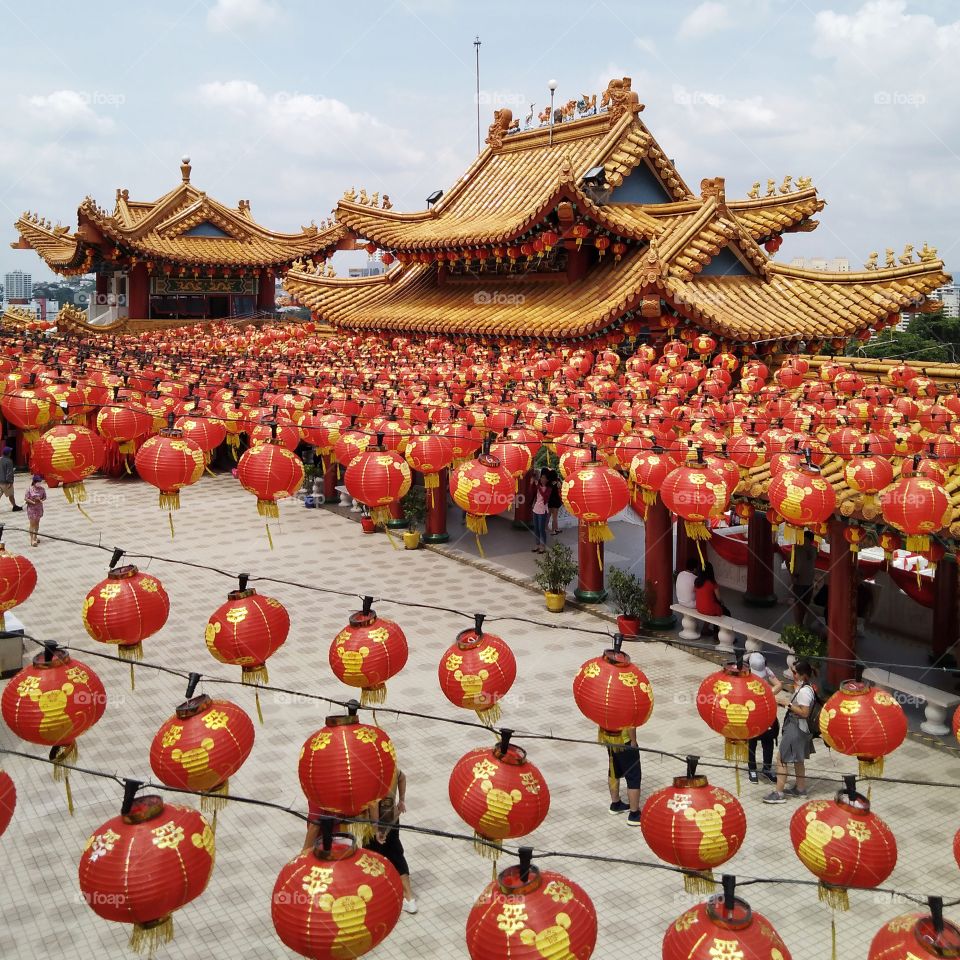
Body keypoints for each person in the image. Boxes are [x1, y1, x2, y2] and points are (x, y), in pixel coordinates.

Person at [363, 769, 418, 914]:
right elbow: (402, 777)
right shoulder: (392, 768)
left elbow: (373, 804)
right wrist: (401, 800)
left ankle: (376, 896)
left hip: (375, 824)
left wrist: (376, 830)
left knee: (372, 859)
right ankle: (409, 897)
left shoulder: (371, 772)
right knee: (396, 854)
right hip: (392, 818)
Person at [763, 658, 816, 803]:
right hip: (799, 728)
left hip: (796, 728)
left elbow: (805, 712)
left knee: (781, 759)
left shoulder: (804, 692)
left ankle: (779, 793)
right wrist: (785, 705)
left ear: (802, 674)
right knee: (798, 759)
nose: (793, 674)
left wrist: (788, 704)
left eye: (795, 672)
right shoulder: (805, 687)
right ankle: (800, 789)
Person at [746, 651, 782, 784]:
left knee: (768, 740)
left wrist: (769, 693)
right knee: (751, 741)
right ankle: (752, 769)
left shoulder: (766, 670)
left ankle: (767, 768)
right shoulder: (744, 673)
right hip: (751, 712)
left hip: (766, 711)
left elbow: (778, 684)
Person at [607, 726, 642, 826]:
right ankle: (634, 815)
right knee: (633, 776)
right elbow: (630, 725)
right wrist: (633, 741)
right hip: (625, 742)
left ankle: (616, 804)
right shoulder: (625, 712)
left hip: (609, 740)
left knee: (613, 771)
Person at [791, 532, 819, 627]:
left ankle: (800, 623)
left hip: (809, 580)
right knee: (798, 603)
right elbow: (789, 560)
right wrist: (792, 575)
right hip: (799, 579)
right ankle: (797, 624)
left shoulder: (814, 550)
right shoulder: (797, 548)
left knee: (805, 603)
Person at [531, 469, 550, 553]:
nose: (542, 479)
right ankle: (537, 544)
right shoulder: (538, 486)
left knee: (541, 529)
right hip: (536, 509)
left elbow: (545, 497)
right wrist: (532, 483)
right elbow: (531, 492)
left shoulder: (549, 488)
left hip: (543, 510)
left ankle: (543, 546)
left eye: (544, 478)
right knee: (536, 528)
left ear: (547, 480)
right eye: (541, 477)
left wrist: (538, 487)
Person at [24, 474, 46, 547]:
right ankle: (32, 540)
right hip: (31, 509)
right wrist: (33, 502)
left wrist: (41, 500)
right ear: (34, 482)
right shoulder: (29, 489)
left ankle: (35, 536)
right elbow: (26, 498)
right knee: (32, 524)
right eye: (38, 482)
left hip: (39, 508)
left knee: (37, 523)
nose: (39, 483)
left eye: (40, 482)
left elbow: (44, 497)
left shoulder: (42, 489)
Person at [0, 447, 22, 512]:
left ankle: (14, 506)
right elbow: (9, 473)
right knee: (11, 495)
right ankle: (14, 506)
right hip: (6, 482)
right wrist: (10, 482)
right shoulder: (9, 461)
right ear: (8, 453)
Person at [547, 468, 563, 534]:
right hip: (556, 500)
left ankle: (546, 527)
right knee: (555, 517)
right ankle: (554, 530)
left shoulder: (548, 483)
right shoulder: (557, 482)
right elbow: (561, 487)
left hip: (550, 500)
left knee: (548, 515)